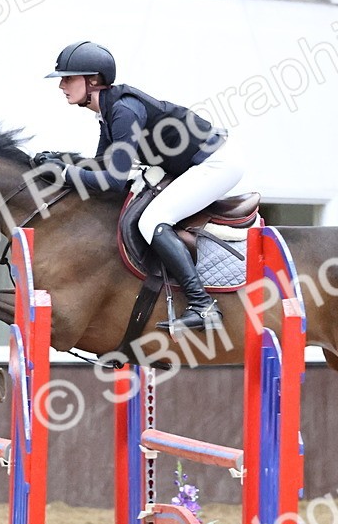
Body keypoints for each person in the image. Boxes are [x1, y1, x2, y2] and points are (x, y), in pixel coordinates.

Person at [38, 40, 243, 331]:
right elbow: (102, 163)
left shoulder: (124, 111)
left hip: (217, 163)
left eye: (68, 78)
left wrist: (63, 173)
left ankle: (203, 305)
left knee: (153, 220)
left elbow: (113, 180)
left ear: (93, 80)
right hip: (199, 162)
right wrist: (61, 160)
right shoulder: (109, 111)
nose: (62, 86)